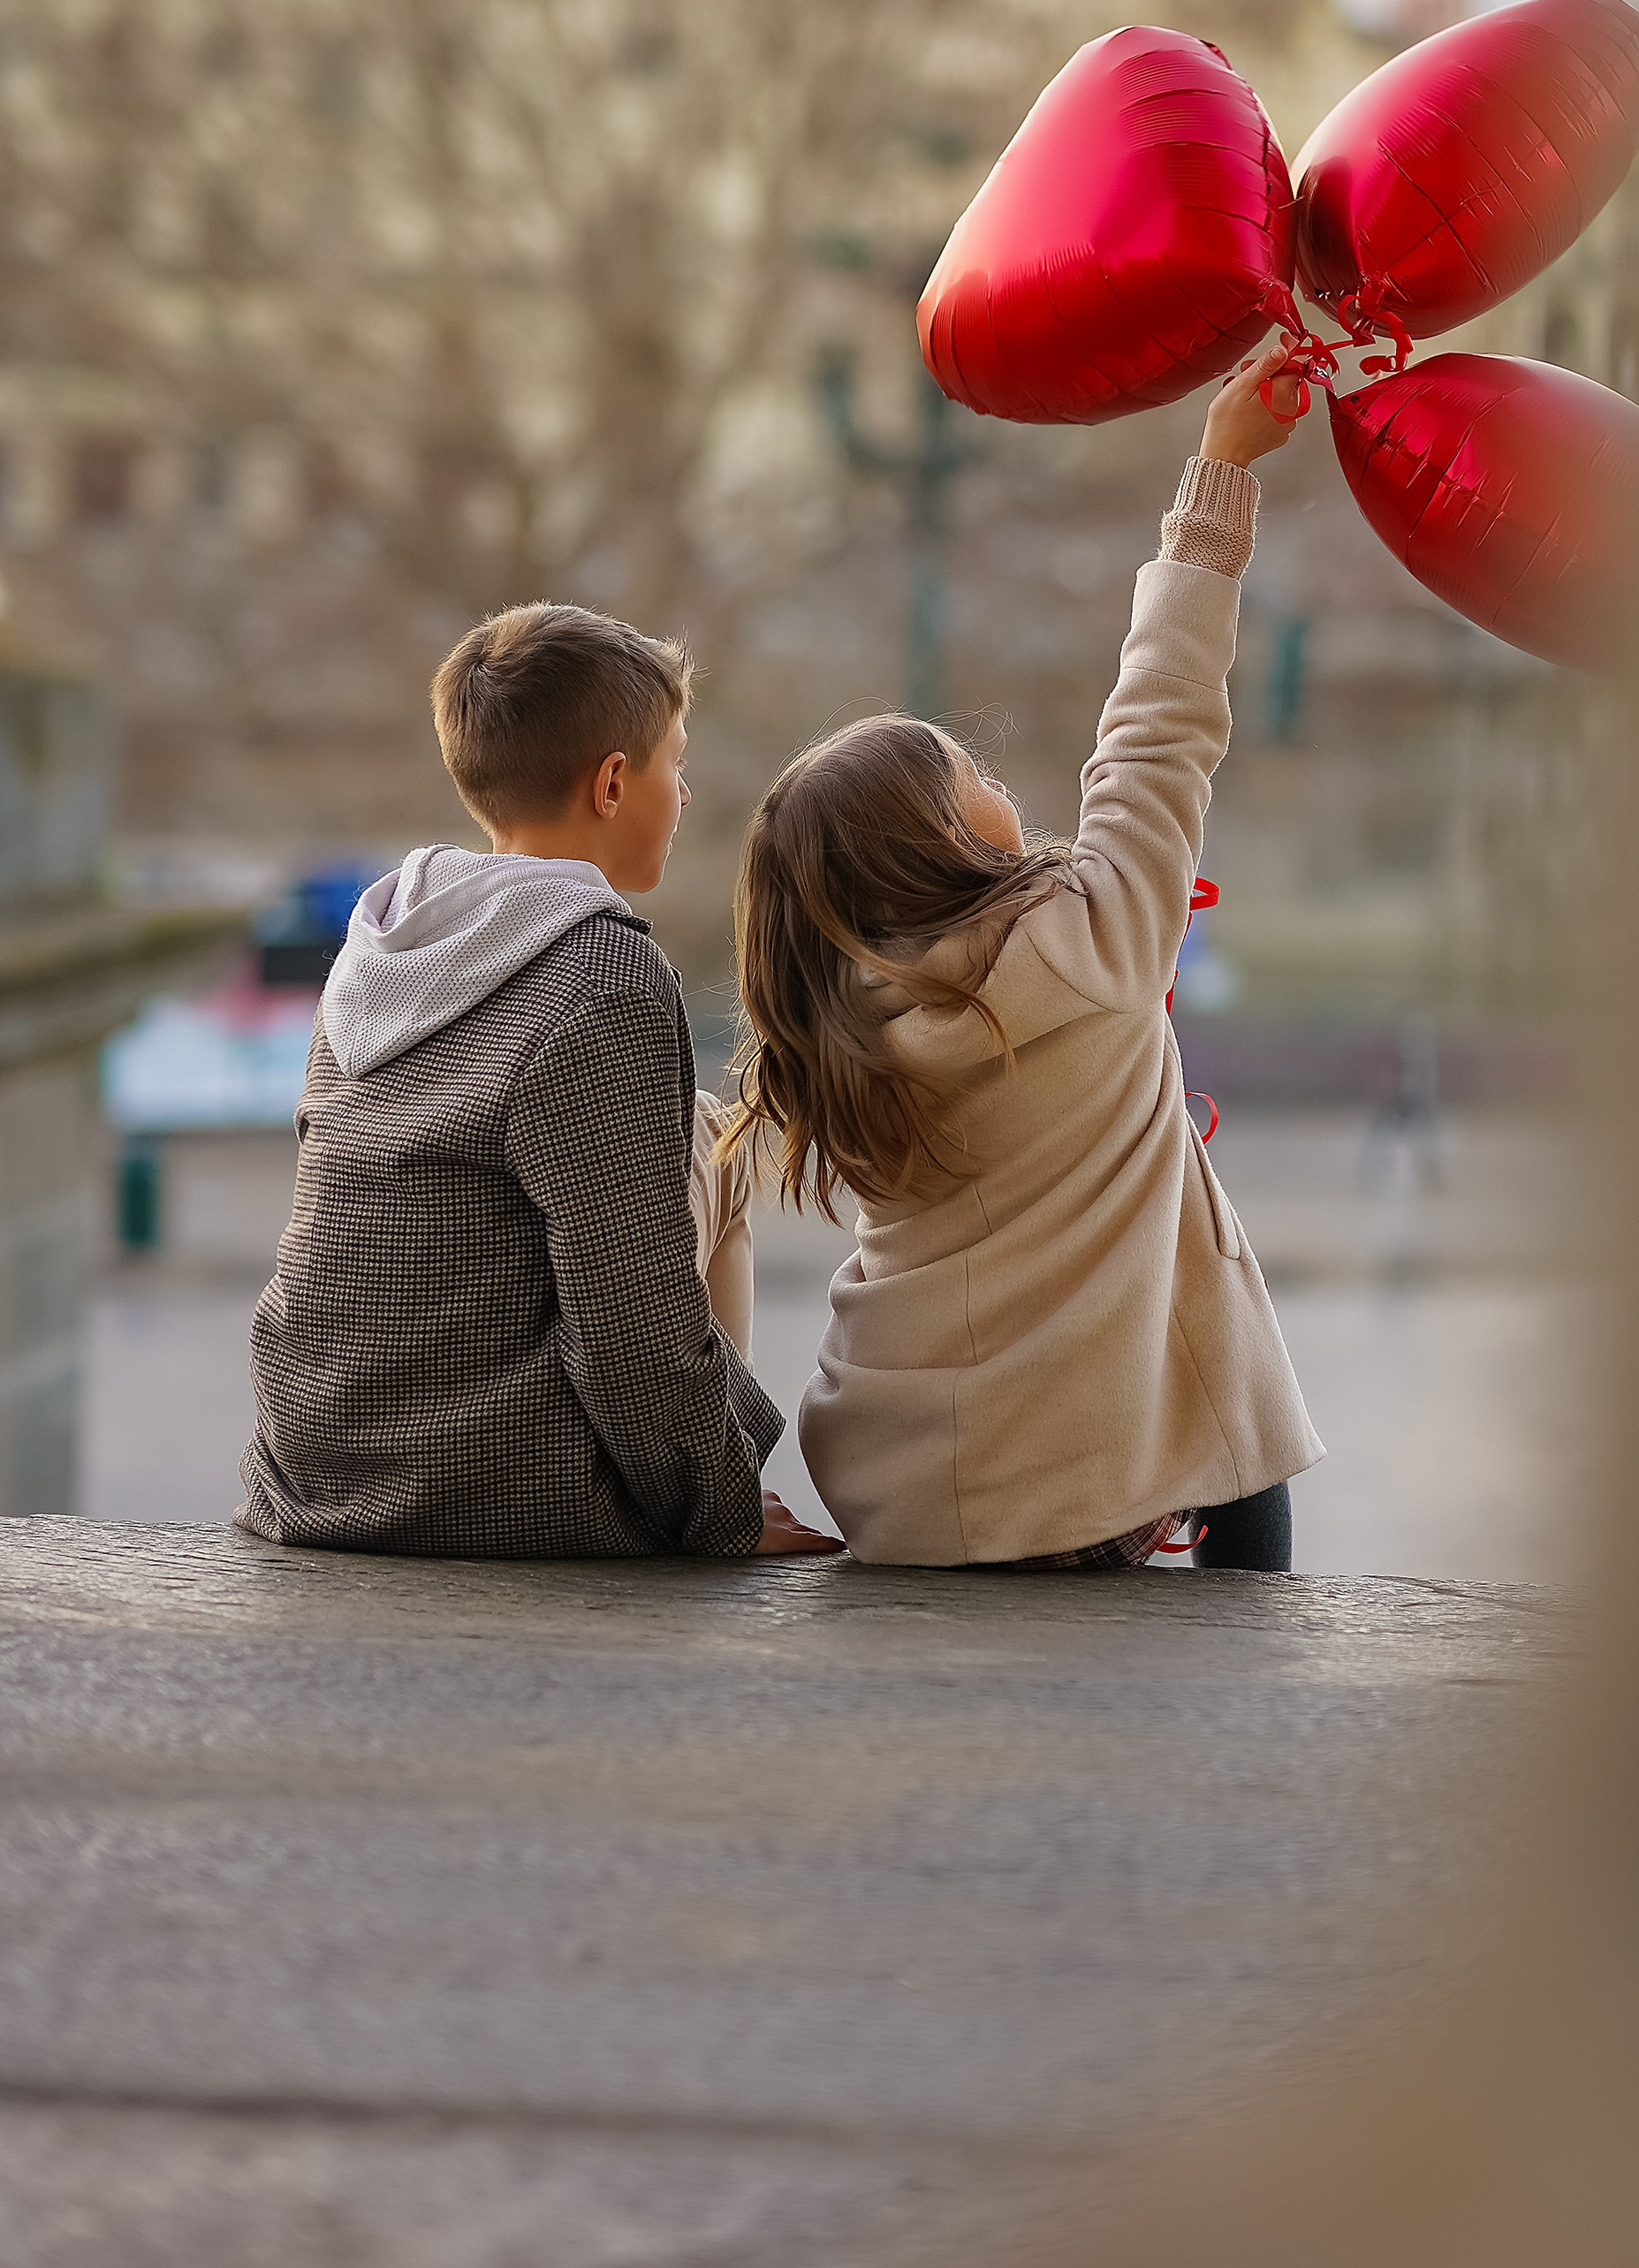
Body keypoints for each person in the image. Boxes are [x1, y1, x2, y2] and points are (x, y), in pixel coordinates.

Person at [726, 338, 1325, 1571]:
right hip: (1085, 1484)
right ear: (943, 841)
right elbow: (1159, 726)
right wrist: (1219, 477)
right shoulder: (1098, 936)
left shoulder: (830, 1027)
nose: (1007, 786)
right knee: (1246, 1443)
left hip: (901, 1485)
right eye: (979, 778)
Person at [240, 601, 836, 1559]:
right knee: (700, 1166)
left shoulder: (382, 941)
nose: (682, 796)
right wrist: (718, 1518)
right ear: (611, 783)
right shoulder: (602, 977)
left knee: (692, 1126)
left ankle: (705, 1473)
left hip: (312, 1468)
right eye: (672, 766)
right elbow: (628, 1306)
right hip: (490, 1486)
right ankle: (713, 1485)